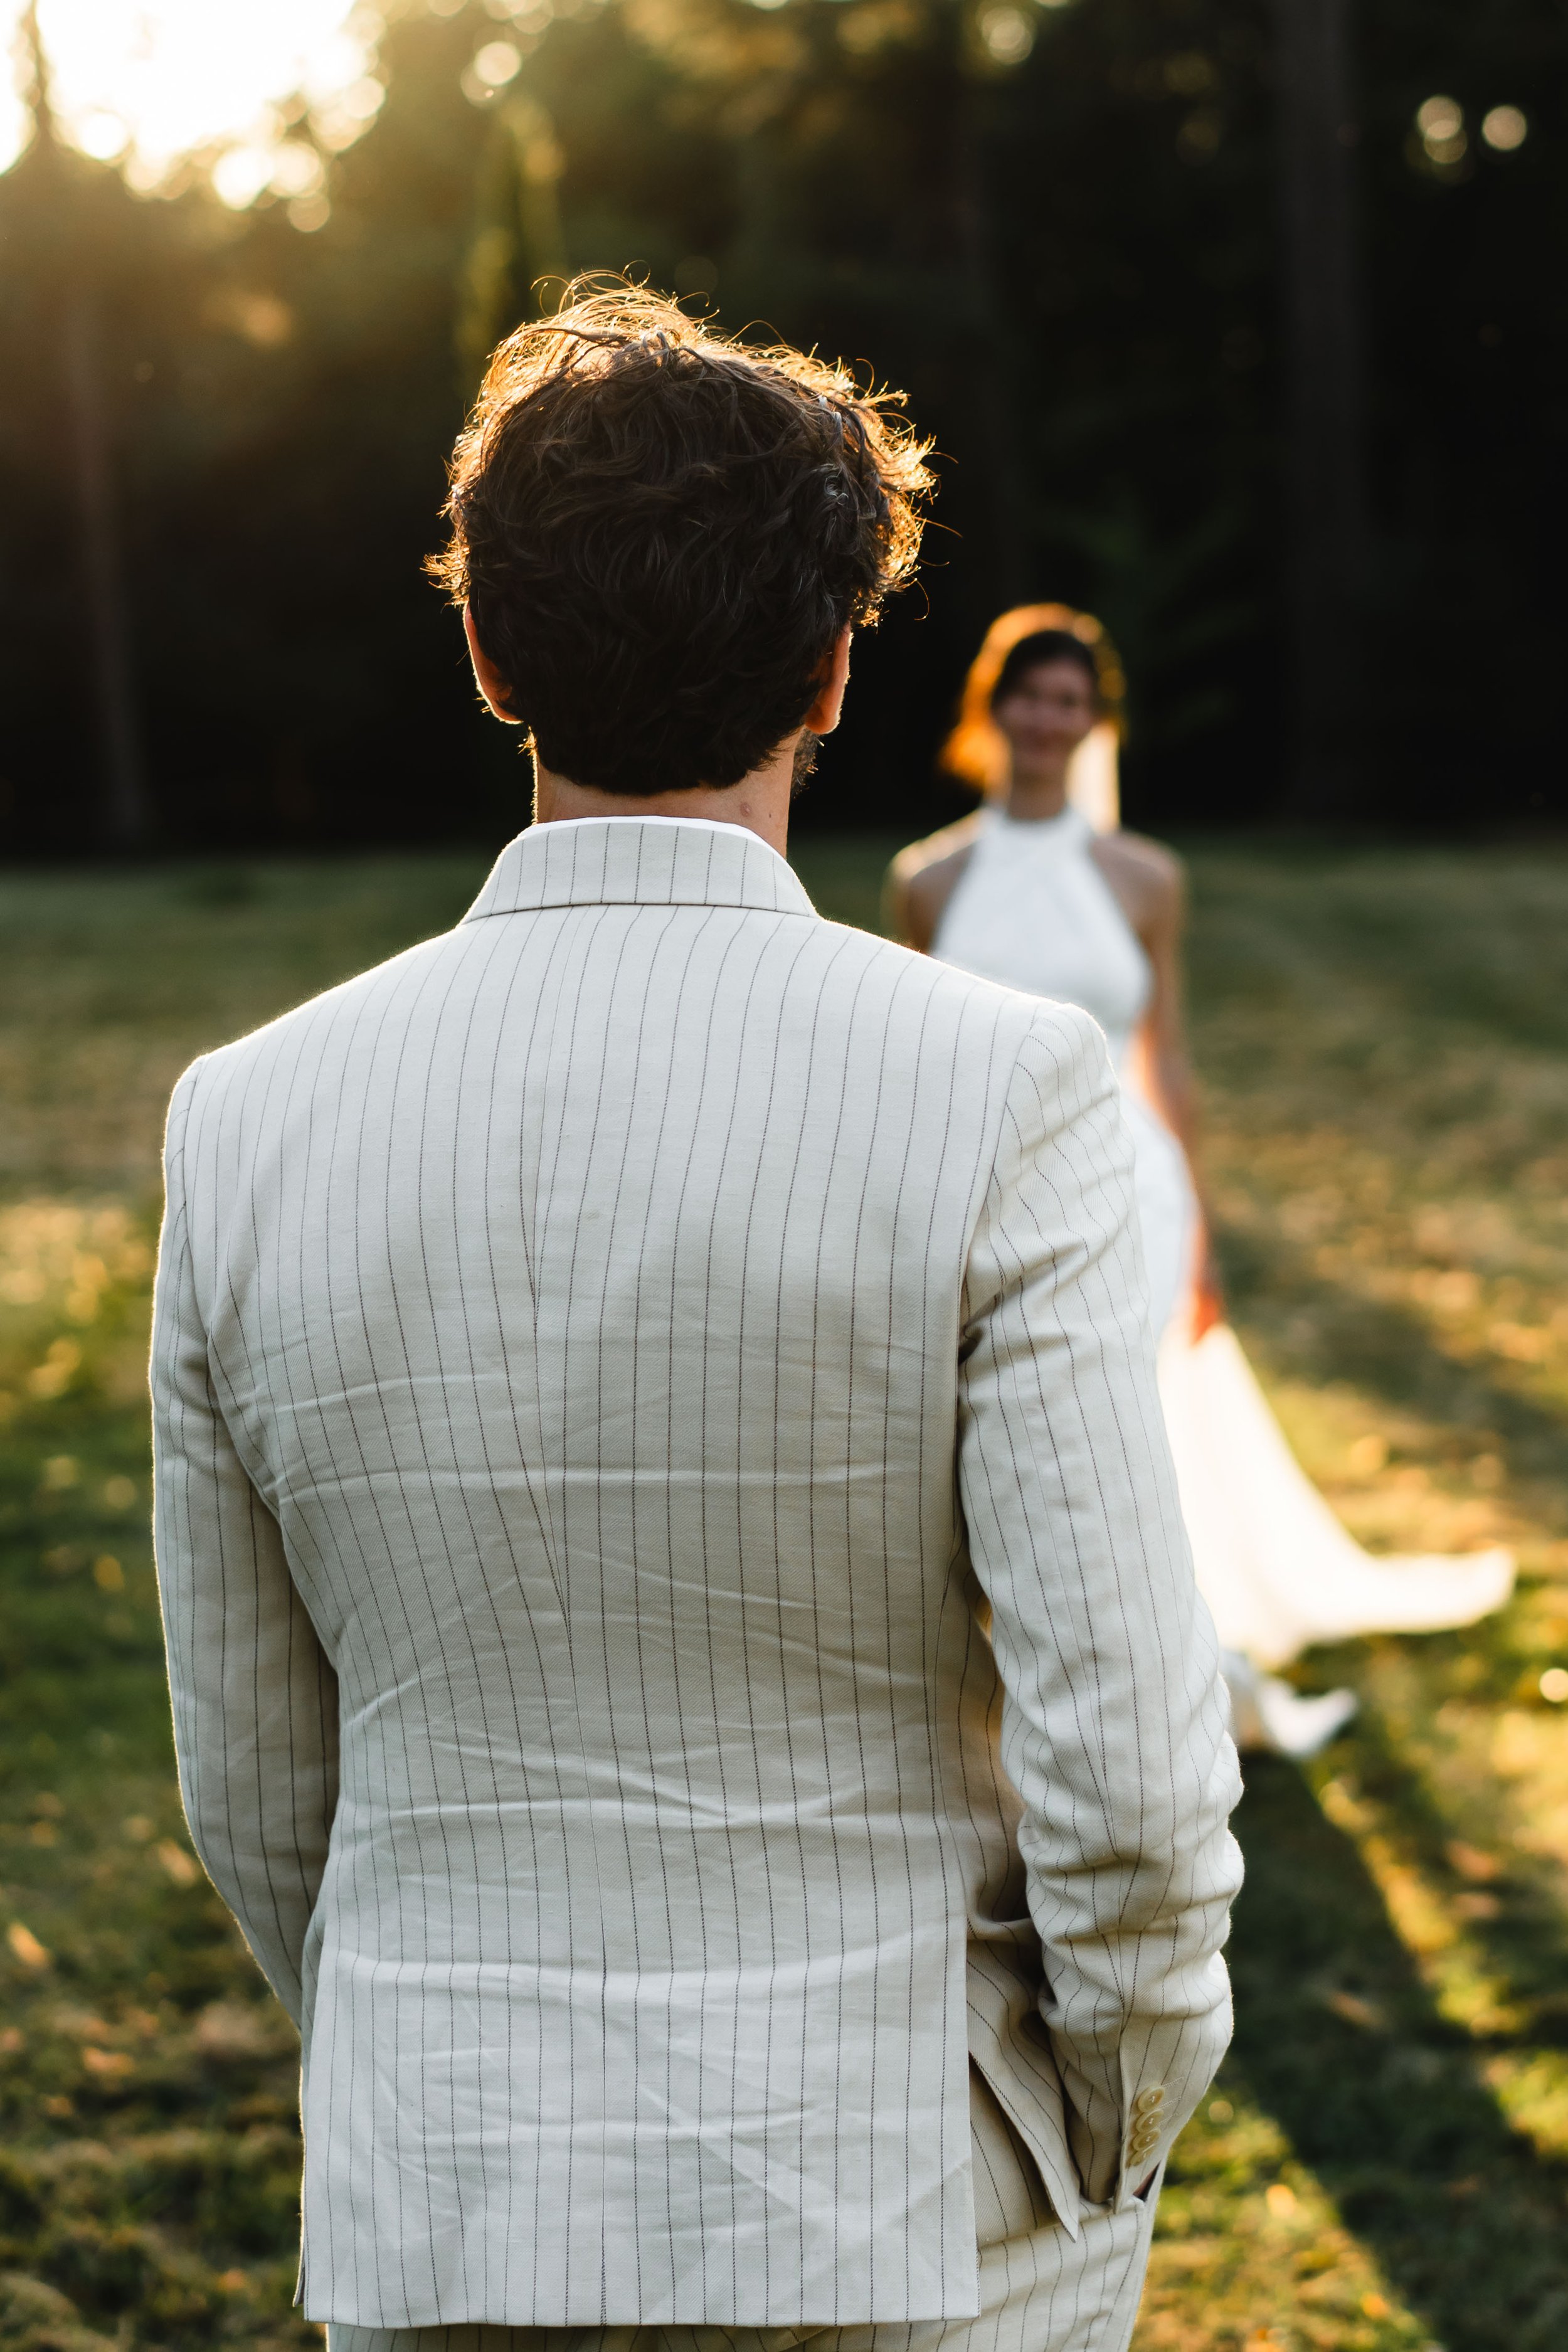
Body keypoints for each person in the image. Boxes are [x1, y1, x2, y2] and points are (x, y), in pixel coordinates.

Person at [150, 292, 1241, 2352]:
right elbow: (1128, 1762)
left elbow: (258, 1783)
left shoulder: (245, 1118)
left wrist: (433, 2088)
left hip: (446, 2207)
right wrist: (1113, 2114)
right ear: (834, 670)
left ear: (488, 654)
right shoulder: (1004, 1091)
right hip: (919, 2207)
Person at [889, 604, 1513, 1757]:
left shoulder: (1144, 879)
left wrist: (1206, 1232)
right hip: (988, 1184)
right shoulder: (930, 880)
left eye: (1069, 700)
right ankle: (1022, 1663)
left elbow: (1165, 1057)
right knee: (1000, 1424)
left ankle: (1163, 1665)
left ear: (1095, 722)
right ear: (995, 708)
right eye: (1029, 695)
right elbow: (918, 1061)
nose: (1046, 718)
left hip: (1129, 1180)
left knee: (1124, 1426)